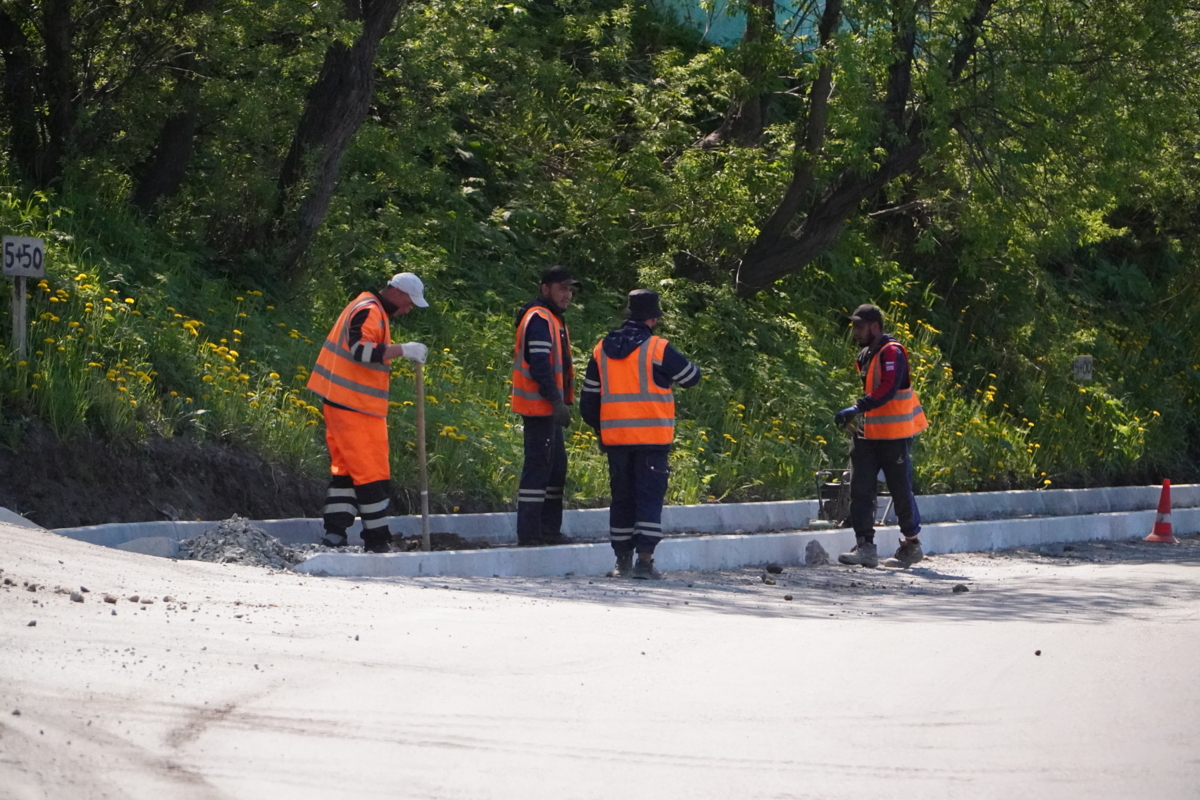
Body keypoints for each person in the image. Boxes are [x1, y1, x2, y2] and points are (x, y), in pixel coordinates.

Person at [581, 290, 701, 579]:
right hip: (652, 441)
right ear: (653, 319)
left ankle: (621, 562)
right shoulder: (657, 348)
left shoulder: (601, 349)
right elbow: (691, 376)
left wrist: (600, 429)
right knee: (648, 497)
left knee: (622, 497)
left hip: (616, 440)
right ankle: (644, 562)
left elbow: (588, 402)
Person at [306, 272, 429, 553]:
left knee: (346, 473)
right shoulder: (369, 310)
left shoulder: (369, 307)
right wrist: (403, 350)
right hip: (353, 406)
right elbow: (360, 350)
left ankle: (334, 535)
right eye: (409, 303)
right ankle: (377, 540)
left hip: (347, 403)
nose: (408, 309)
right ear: (397, 294)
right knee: (371, 472)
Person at [833, 303, 928, 568]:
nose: (855, 332)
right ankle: (865, 547)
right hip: (868, 434)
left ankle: (912, 545)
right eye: (853, 326)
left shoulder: (892, 352)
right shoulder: (867, 354)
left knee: (900, 490)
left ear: (875, 327)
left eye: (859, 326)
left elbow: (888, 388)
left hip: (895, 436)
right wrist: (856, 416)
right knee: (860, 488)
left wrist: (856, 407)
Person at [511, 266, 579, 546]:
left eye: (570, 289)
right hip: (539, 408)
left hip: (547, 409)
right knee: (539, 469)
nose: (568, 295)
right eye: (562, 288)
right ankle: (531, 534)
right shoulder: (539, 318)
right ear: (545, 289)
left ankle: (549, 530)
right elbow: (540, 365)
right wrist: (555, 400)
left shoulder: (553, 319)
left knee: (555, 469)